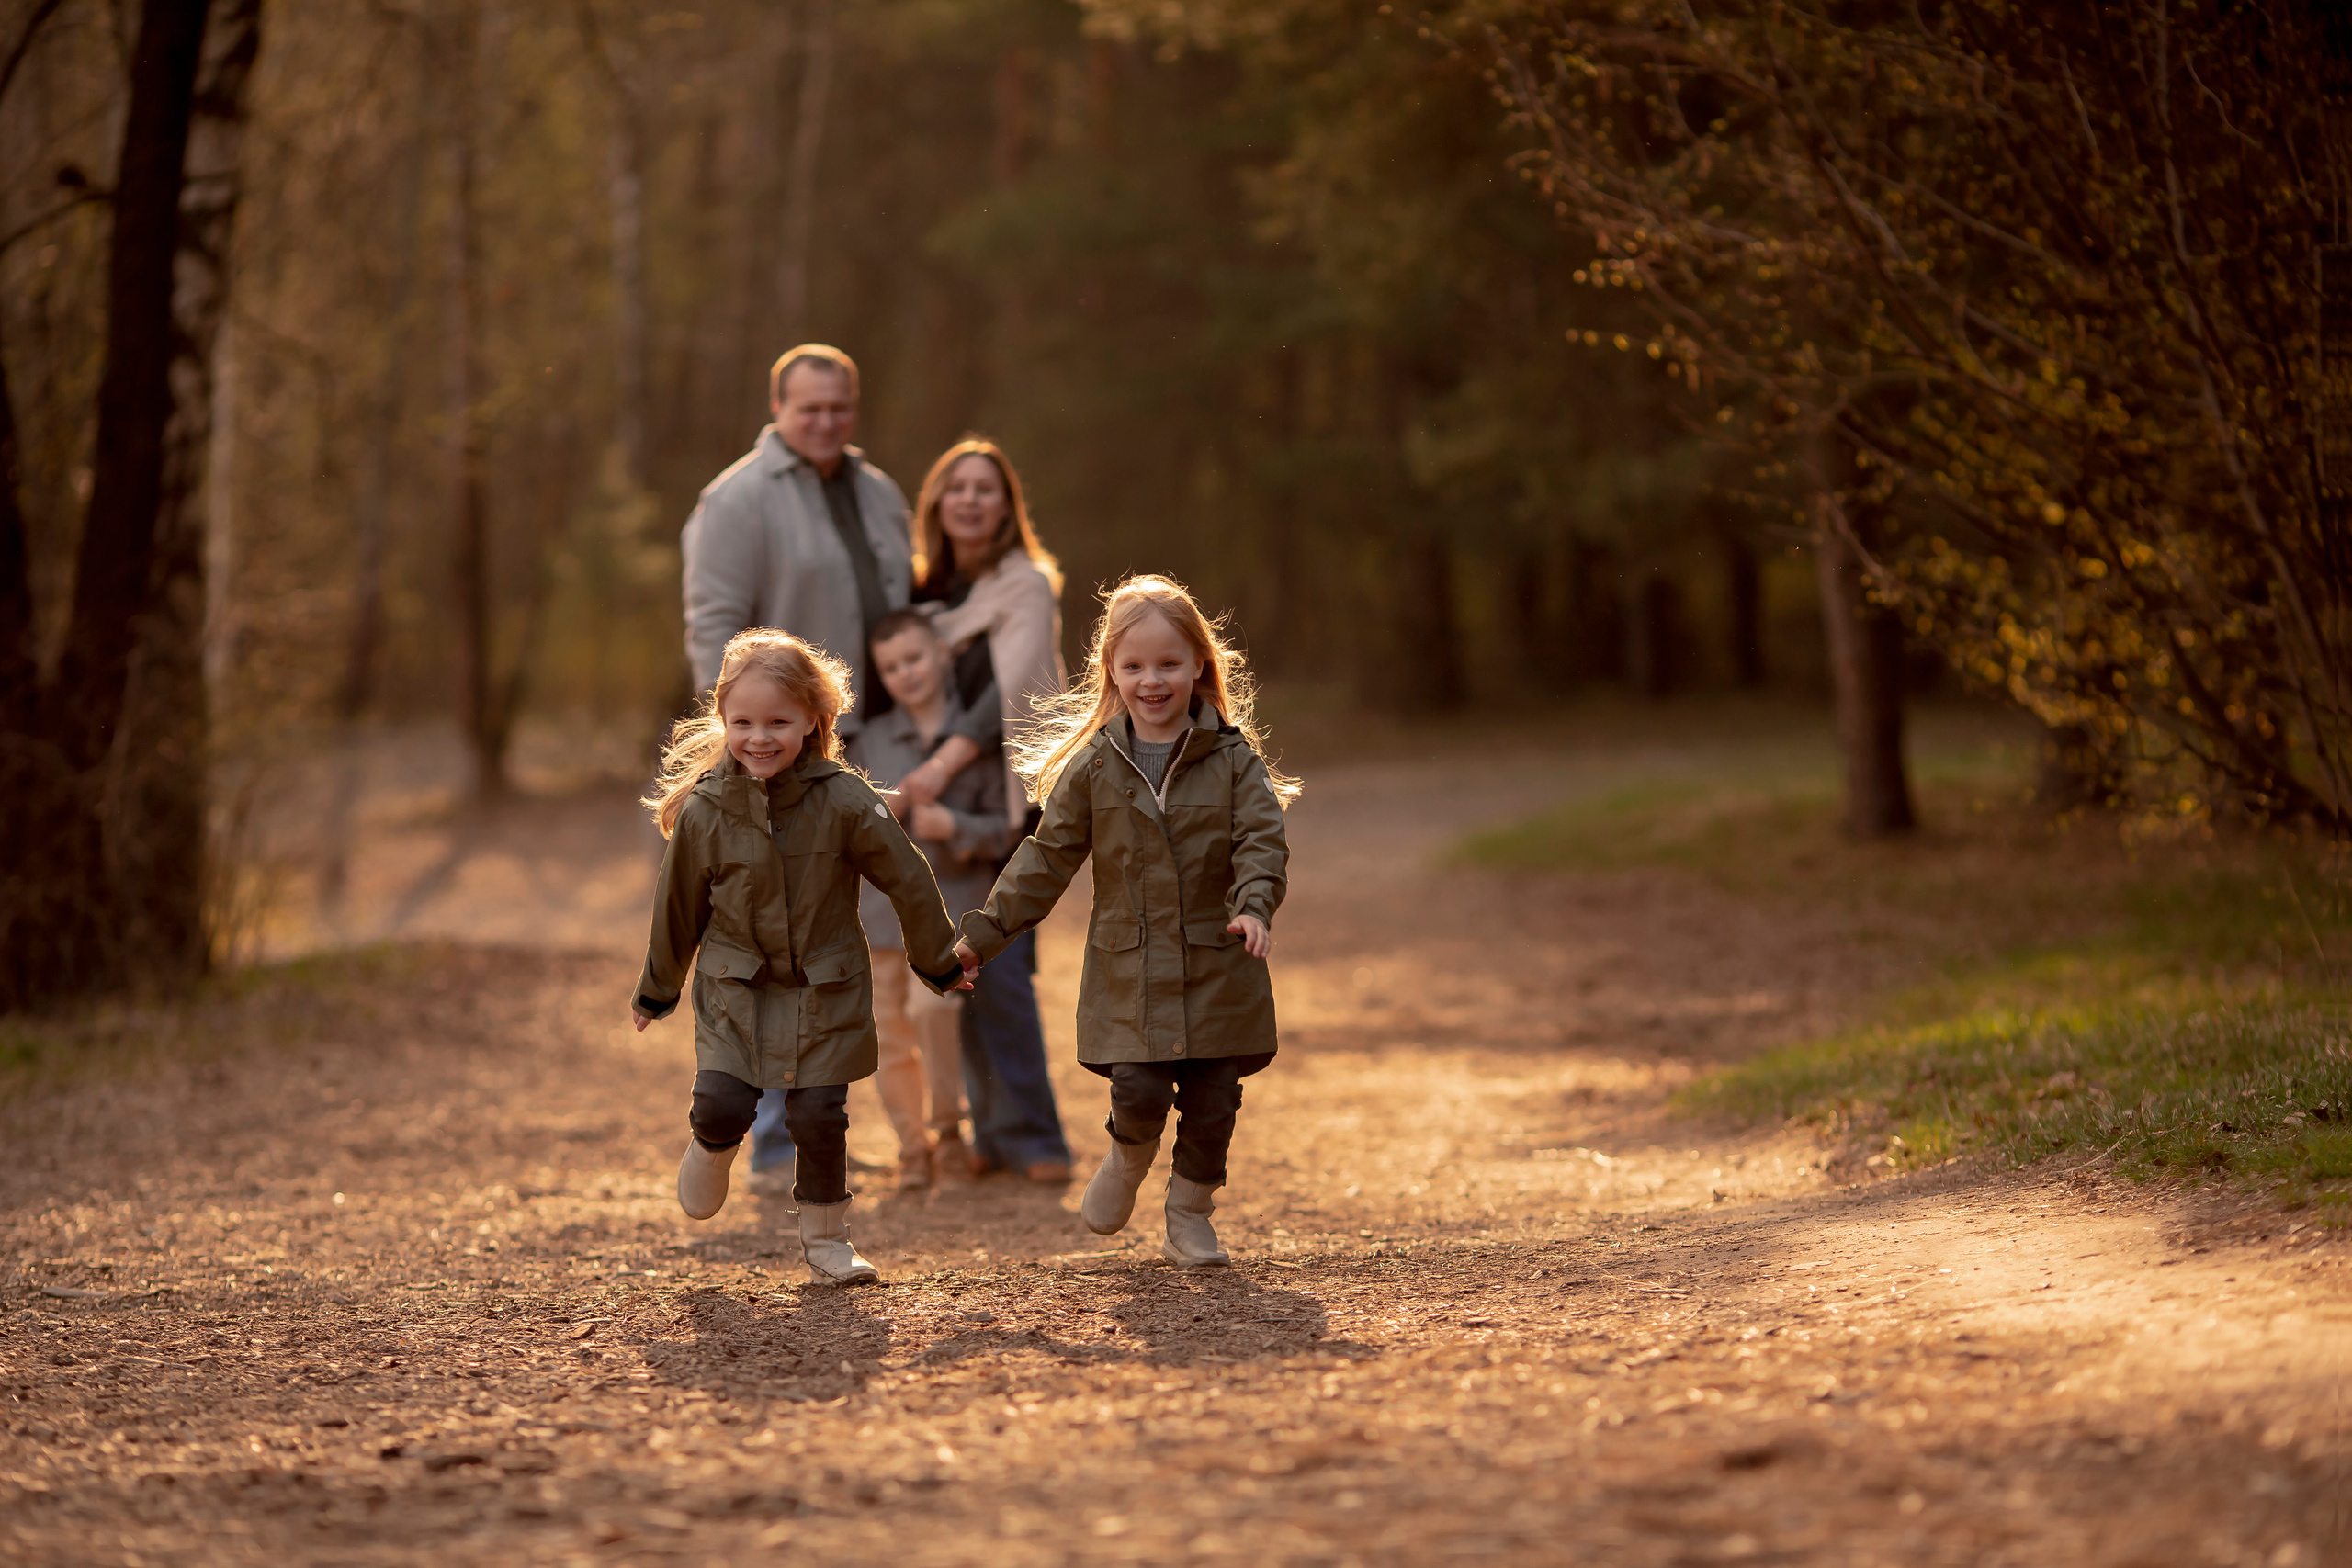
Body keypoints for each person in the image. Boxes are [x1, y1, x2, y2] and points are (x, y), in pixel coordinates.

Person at [678, 345, 1003, 1196]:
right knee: (774, 933)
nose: (826, 421)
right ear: (778, 405)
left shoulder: (877, 489)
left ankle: (834, 1118)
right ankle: (773, 1140)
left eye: (840, 408)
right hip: (782, 746)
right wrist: (745, 737)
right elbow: (712, 621)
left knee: (839, 942)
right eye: (809, 407)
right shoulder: (737, 499)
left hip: (872, 742)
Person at [954, 575, 1299, 1268]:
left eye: (1169, 663)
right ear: (1109, 669)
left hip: (1217, 961)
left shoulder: (1234, 762)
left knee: (1212, 1103)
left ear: (1200, 663)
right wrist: (982, 937)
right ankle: (1127, 1153)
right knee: (1138, 1088)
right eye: (1134, 665)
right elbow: (1045, 860)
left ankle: (1190, 1212)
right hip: (1129, 969)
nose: (1152, 680)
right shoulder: (1094, 769)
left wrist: (1253, 906)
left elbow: (1263, 844)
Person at [632, 629, 967, 1284]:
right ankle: (711, 1144)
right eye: (744, 722)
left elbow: (909, 877)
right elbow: (677, 909)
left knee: (819, 1115)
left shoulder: (844, 799)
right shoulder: (706, 810)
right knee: (724, 1100)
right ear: (723, 720)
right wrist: (657, 990)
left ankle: (827, 1238)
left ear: (815, 719)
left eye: (779, 721)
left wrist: (941, 962)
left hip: (826, 985)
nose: (761, 737)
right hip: (737, 987)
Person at [900, 439, 1075, 1185]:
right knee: (956, 966)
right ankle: (992, 1130)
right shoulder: (922, 596)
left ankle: (1037, 1137)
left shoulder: (1027, 585)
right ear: (937, 503)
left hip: (1005, 796)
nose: (971, 499)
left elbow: (1006, 695)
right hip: (936, 809)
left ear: (1008, 506)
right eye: (957, 488)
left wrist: (938, 766)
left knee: (999, 962)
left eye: (986, 488)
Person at [844, 609, 1010, 1192]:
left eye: (914, 658)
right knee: (887, 1032)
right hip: (878, 917)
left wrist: (953, 826)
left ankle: (949, 1134)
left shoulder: (976, 746)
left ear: (942, 653)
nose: (905, 673)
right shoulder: (864, 743)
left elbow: (1008, 831)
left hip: (949, 915)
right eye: (891, 667)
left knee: (935, 1011)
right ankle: (911, 1147)